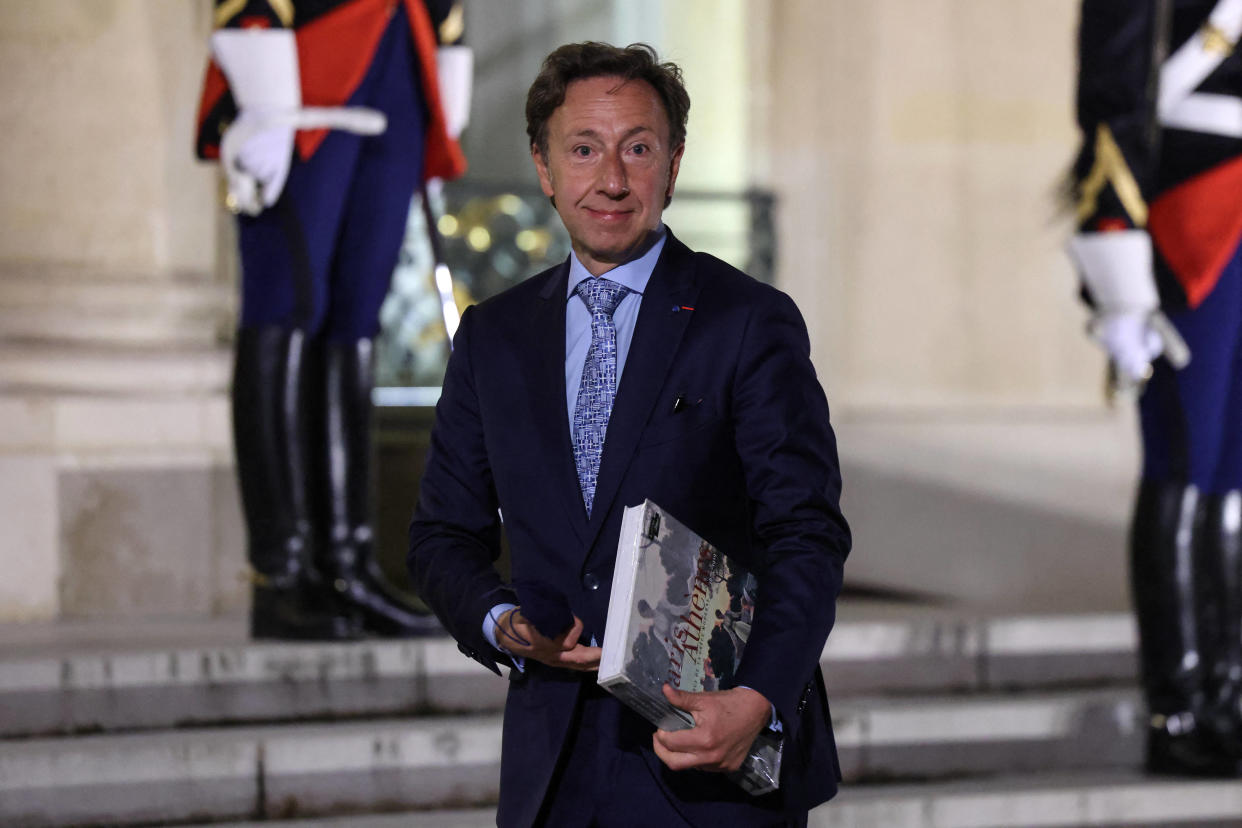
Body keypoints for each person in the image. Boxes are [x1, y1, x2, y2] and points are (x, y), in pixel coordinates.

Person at [408, 41, 850, 827]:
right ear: (544, 169)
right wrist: (501, 623)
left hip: (708, 765)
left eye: (637, 149)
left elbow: (806, 534)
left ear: (673, 166)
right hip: (551, 772)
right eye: (583, 149)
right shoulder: (493, 339)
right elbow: (443, 535)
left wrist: (756, 698)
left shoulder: (747, 322)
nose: (611, 179)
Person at [194, 0, 469, 639]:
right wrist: (258, 78)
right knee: (286, 305)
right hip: (305, 58)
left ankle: (345, 567)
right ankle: (282, 575)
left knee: (355, 319)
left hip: (405, 52)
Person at [1067, 0, 1242, 776]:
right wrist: (1114, 245)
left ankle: (1229, 699)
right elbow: (1113, 91)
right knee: (1184, 461)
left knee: (1236, 476)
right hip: (1191, 211)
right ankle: (1177, 711)